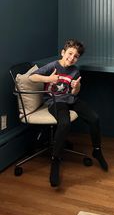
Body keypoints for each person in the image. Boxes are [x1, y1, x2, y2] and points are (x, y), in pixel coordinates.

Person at [30, 39, 108, 187]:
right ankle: (55, 160)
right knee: (64, 123)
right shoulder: (53, 65)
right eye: (70, 54)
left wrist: (76, 87)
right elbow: (32, 77)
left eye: (76, 56)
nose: (72, 58)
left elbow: (74, 92)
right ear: (63, 52)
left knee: (94, 118)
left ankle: (97, 150)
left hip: (70, 99)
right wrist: (49, 78)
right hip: (55, 101)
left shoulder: (74, 70)